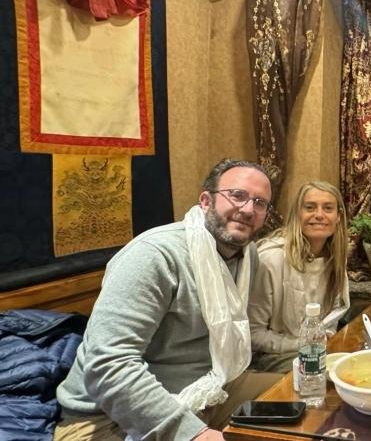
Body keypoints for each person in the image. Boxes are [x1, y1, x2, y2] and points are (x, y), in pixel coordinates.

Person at [54, 159, 283, 440]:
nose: (247, 209)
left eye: (260, 203)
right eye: (237, 195)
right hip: (108, 417)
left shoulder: (249, 257)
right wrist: (194, 433)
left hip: (209, 389)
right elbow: (108, 365)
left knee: (305, 397)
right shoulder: (154, 255)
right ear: (206, 201)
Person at [248, 181, 351, 373]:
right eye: (310, 207)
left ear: (338, 217)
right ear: (297, 213)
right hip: (274, 356)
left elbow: (333, 316)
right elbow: (253, 334)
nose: (319, 215)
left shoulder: (335, 258)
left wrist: (324, 337)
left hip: (318, 348)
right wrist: (303, 343)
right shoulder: (271, 259)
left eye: (328, 208)